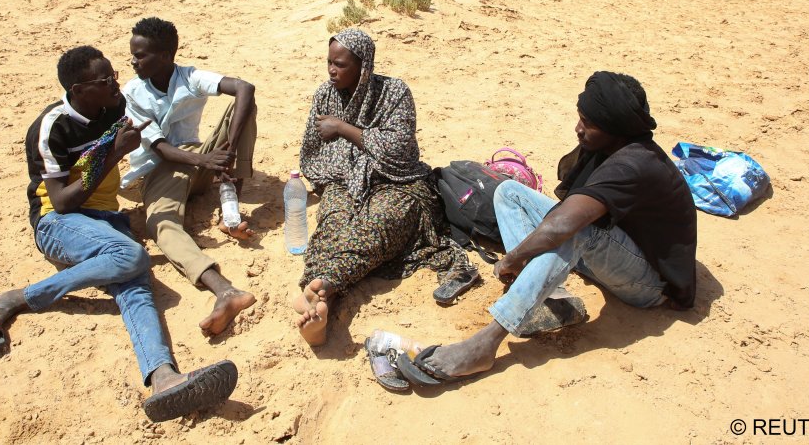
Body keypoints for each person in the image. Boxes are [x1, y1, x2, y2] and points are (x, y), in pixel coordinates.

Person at [0, 46, 238, 421]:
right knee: (132, 257)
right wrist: (111, 156)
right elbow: (60, 202)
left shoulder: (114, 106)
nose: (115, 84)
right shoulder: (51, 127)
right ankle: (15, 300)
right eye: (104, 80)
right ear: (78, 89)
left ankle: (163, 377)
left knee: (135, 286)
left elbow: (151, 134)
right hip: (57, 224)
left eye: (113, 76)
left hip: (107, 221)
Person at [395, 71, 698, 386]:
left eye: (588, 123)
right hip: (620, 253)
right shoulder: (617, 147)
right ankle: (552, 299)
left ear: (615, 127)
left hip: (648, 286)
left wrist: (513, 259)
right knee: (508, 193)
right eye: (580, 118)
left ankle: (485, 344)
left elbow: (564, 224)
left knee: (576, 229)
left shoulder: (632, 165)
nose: (578, 128)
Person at [292, 29, 473, 346]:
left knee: (377, 227)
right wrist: (343, 174)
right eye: (329, 63)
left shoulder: (395, 93)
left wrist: (344, 129)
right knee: (333, 223)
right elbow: (312, 153)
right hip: (344, 179)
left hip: (398, 181)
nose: (332, 70)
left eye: (340, 65)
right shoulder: (325, 95)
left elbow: (399, 149)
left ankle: (325, 288)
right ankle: (318, 296)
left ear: (363, 67)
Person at [120, 17, 257, 337]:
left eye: (141, 56)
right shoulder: (133, 92)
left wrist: (229, 152)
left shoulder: (189, 76)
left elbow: (244, 87)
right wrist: (207, 160)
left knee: (245, 105)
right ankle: (224, 290)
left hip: (199, 164)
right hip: (158, 170)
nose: (133, 61)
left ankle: (230, 202)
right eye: (133, 54)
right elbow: (161, 149)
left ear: (166, 56)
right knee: (162, 226)